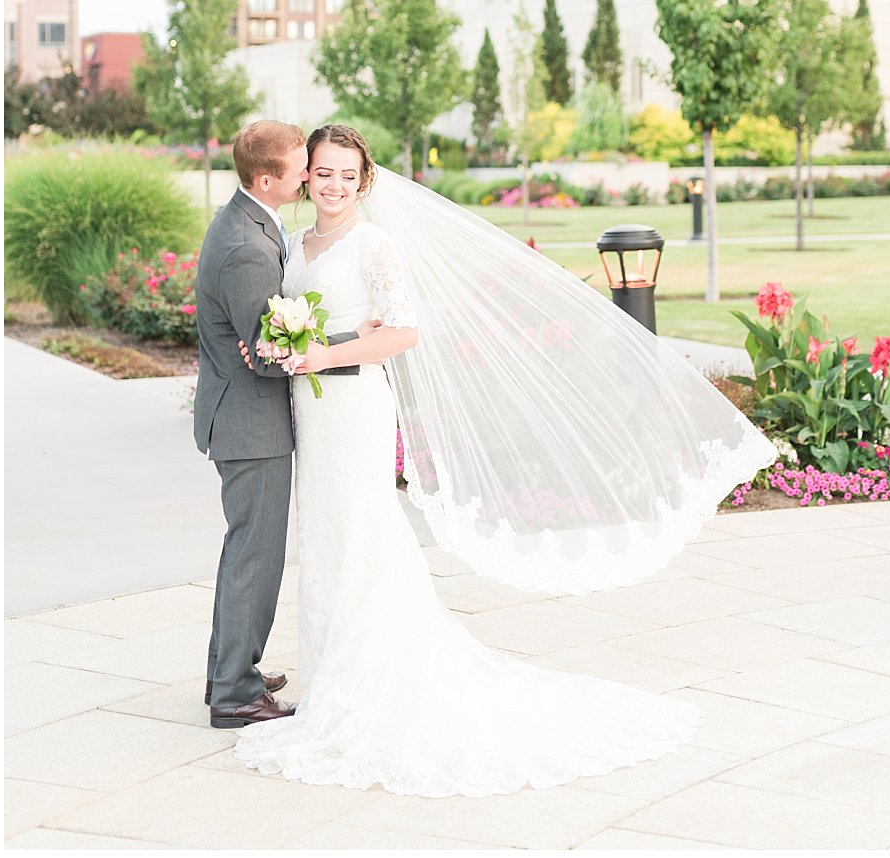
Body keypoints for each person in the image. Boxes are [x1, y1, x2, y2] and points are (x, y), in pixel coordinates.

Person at [230, 123, 777, 795]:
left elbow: (404, 332)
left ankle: (370, 680)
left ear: (362, 178)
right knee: (322, 535)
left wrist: (326, 354)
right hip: (310, 414)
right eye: (323, 172)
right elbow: (300, 318)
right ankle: (331, 679)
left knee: (361, 529)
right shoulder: (294, 243)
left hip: (356, 409)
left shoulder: (374, 244)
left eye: (348, 173)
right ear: (305, 176)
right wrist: (284, 348)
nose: (335, 184)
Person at [194, 119, 364, 729]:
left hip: (245, 419)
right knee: (256, 557)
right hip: (250, 424)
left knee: (247, 551)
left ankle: (229, 670)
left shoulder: (252, 220)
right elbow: (269, 356)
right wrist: (352, 342)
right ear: (268, 179)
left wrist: (267, 344)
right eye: (301, 169)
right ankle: (236, 693)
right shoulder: (246, 244)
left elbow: (264, 341)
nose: (309, 177)